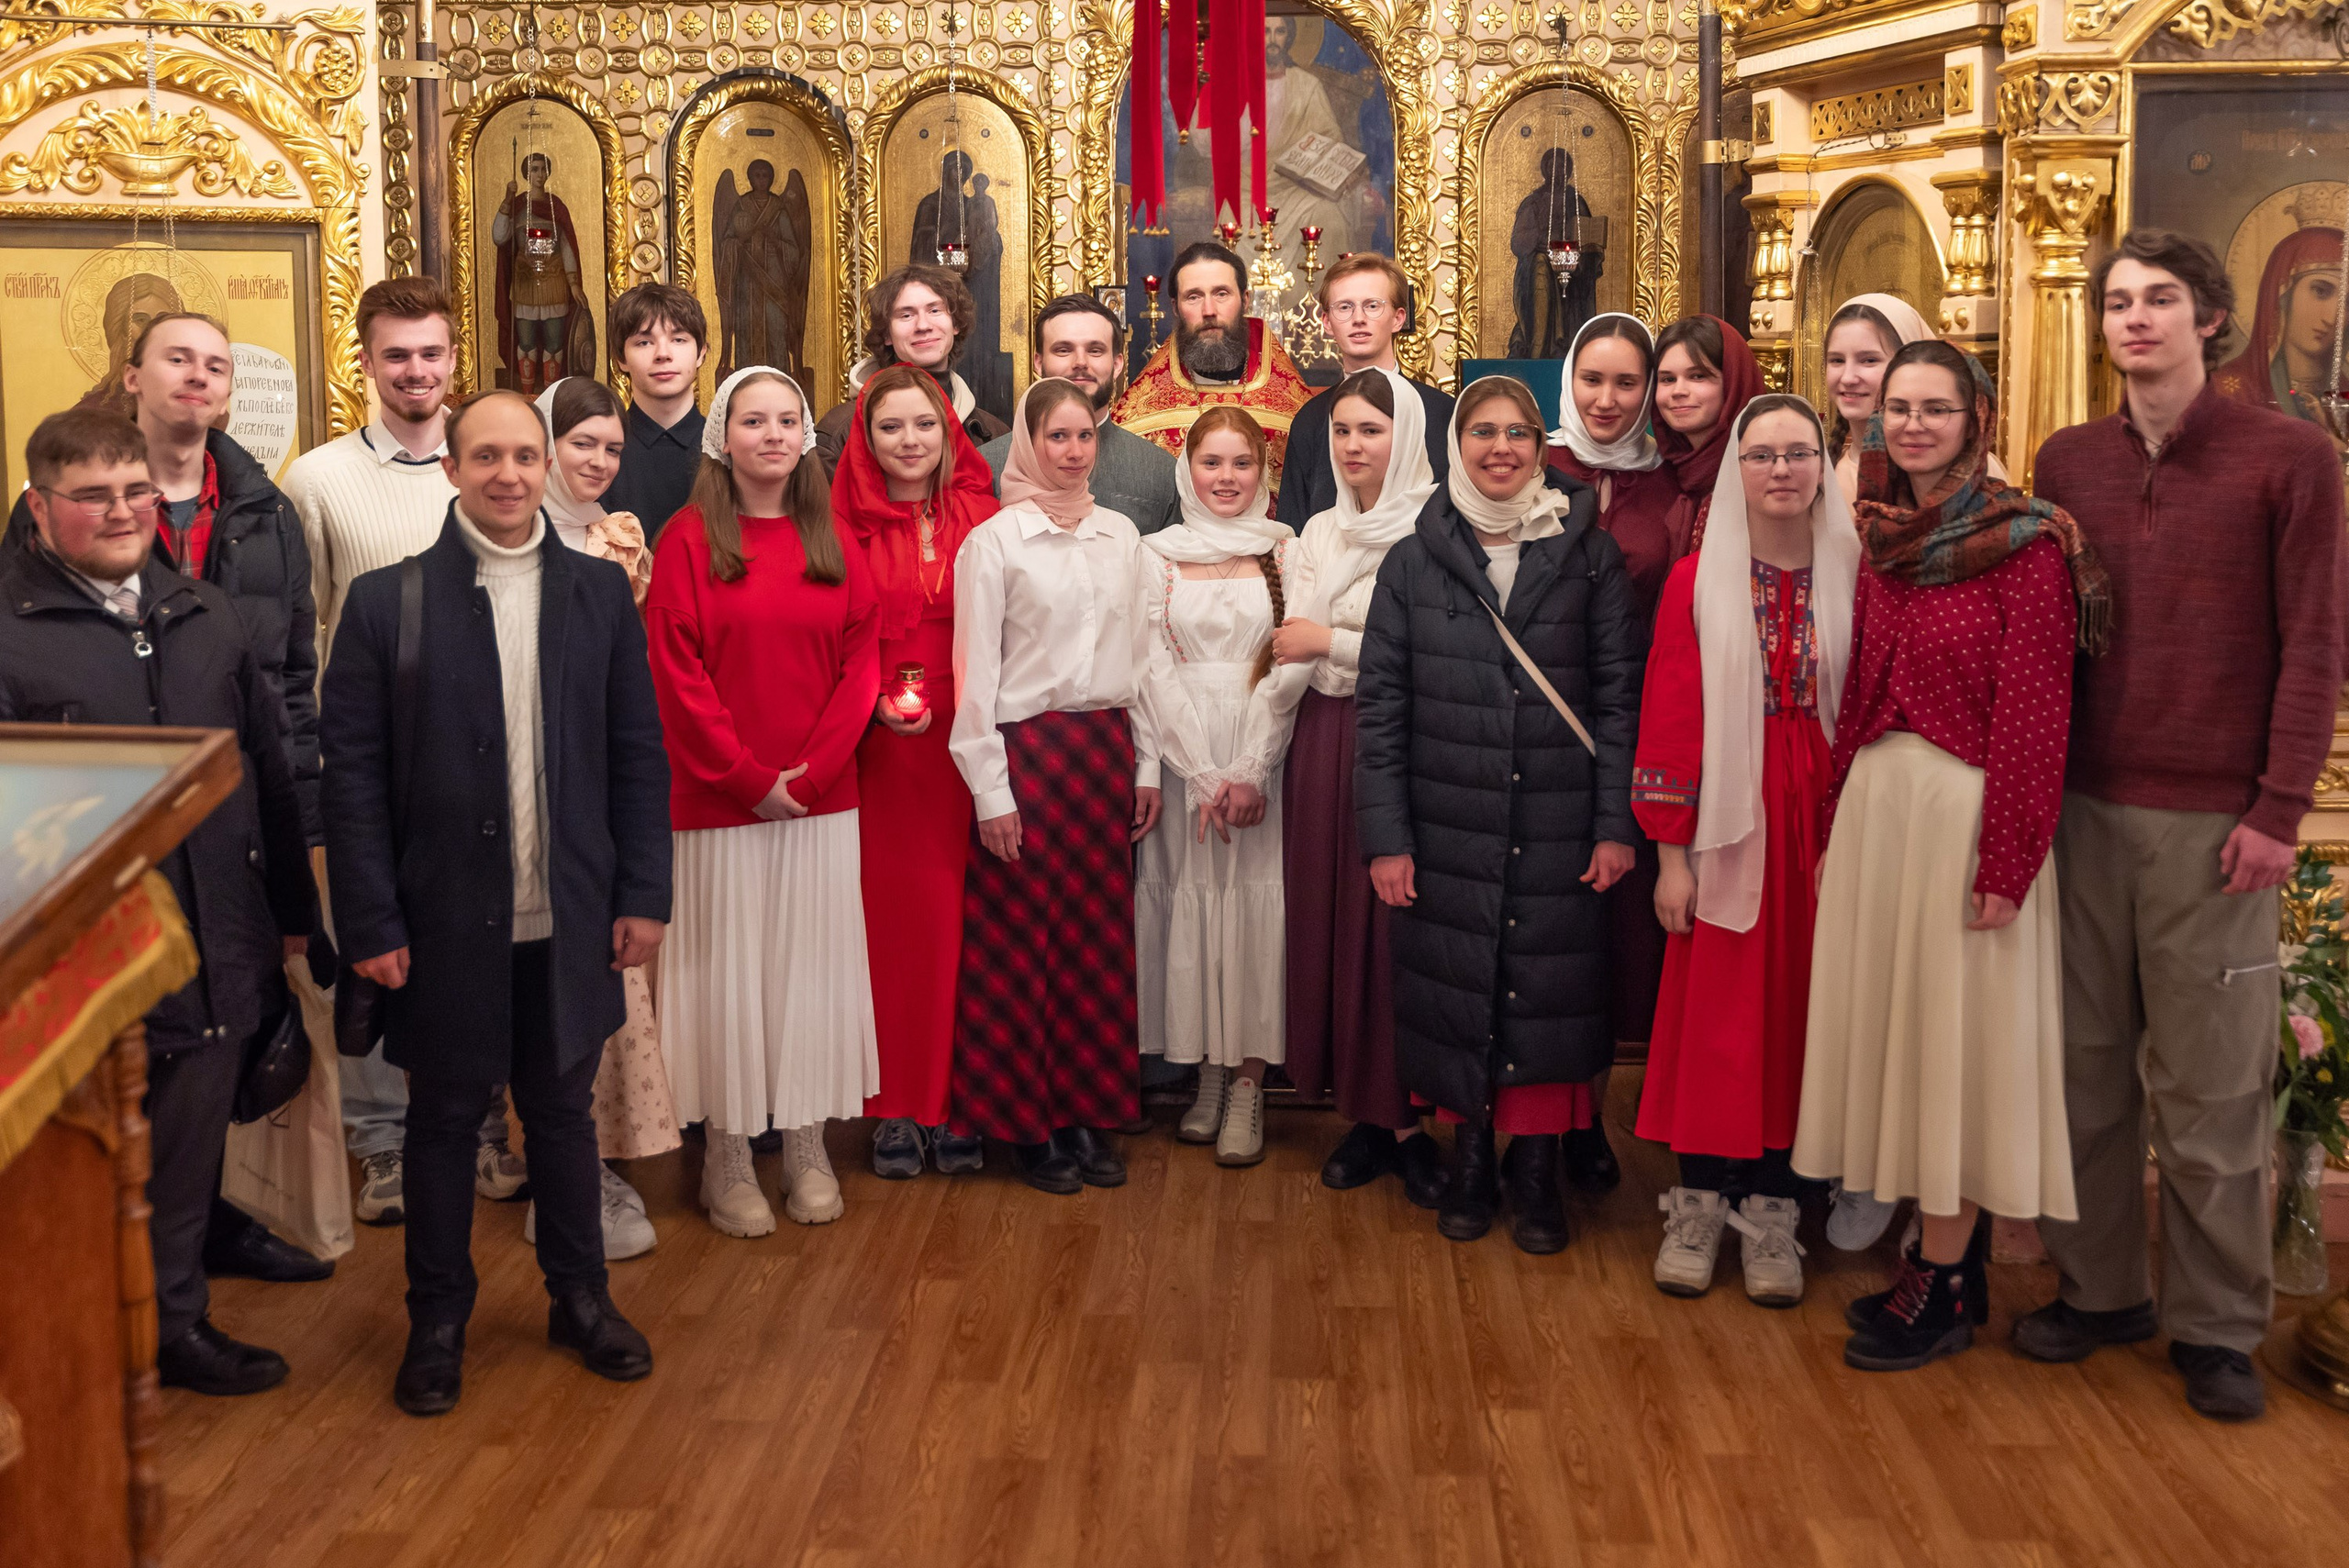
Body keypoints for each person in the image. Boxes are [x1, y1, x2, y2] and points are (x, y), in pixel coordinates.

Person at [2025, 229, 2347, 1423]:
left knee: (2212, 1093)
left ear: (2210, 319)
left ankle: (2217, 1325)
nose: (2137, 320)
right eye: (2118, 302)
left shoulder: (2291, 457)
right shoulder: (2067, 461)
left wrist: (2278, 809)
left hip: (2218, 820)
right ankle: (2102, 1287)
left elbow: (2318, 643)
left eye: (2160, 300)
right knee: (2084, 1074)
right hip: (2080, 807)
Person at [320, 389, 671, 1417]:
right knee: (440, 1121)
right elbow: (352, 777)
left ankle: (579, 1296)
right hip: (439, 919)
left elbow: (635, 755)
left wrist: (642, 890)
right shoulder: (388, 604)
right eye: (488, 455)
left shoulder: (598, 596)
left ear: (547, 463)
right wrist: (373, 919)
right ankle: (437, 1317)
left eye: (526, 454)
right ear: (454, 468)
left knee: (560, 1113)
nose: (509, 474)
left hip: (565, 910)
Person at [1795, 340, 2104, 1373]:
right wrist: (1838, 818)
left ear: (1975, 418)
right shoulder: (1887, 536)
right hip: (1884, 809)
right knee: (1904, 1037)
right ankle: (1943, 1268)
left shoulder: (2024, 541)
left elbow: (2034, 711)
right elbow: (1859, 695)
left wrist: (2006, 860)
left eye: (1934, 407)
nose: (1912, 425)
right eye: (1897, 408)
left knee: (1953, 1051)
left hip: (1968, 815)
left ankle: (1942, 1277)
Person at [0, 408, 315, 1396]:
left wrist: (294, 916)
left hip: (212, 933)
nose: (123, 510)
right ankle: (71, 1336)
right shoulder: (10, 630)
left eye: (136, 490)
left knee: (185, 1154)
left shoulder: (202, 611)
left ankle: (173, 1322)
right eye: (92, 496)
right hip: (74, 961)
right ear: (41, 508)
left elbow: (265, 764)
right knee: (77, 1167)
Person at [1355, 376, 1642, 1255]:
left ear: (1540, 445)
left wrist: (1612, 824)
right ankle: (1474, 1157)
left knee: (1549, 994)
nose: (1502, 448)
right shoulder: (1414, 559)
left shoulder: (1588, 555)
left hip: (1559, 818)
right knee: (1459, 988)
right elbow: (1382, 707)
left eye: (1520, 432)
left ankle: (1536, 1167)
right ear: (1458, 444)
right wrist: (1389, 839)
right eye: (1483, 432)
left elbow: (1616, 702)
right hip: (1449, 817)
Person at [283, 277, 517, 1227]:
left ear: (454, 356)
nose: (417, 371)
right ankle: (382, 1138)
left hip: (496, 755)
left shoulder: (491, 461)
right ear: (367, 361)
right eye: (397, 354)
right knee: (380, 944)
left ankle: (487, 1118)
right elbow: (307, 632)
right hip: (378, 761)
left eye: (432, 352)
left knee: (492, 944)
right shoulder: (317, 480)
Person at [1634, 394, 1857, 1307]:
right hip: (1729, 807)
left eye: (1797, 452)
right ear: (1736, 467)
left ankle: (1775, 1210)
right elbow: (1671, 716)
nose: (1779, 469)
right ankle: (1696, 1201)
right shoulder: (1696, 579)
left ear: (1819, 465)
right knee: (1719, 1009)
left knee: (1804, 1010)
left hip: (1830, 811)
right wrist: (1671, 856)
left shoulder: (1858, 574)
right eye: (1760, 454)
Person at [648, 367, 881, 1238]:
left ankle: (810, 1140)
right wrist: (749, 779)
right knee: (728, 975)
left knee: (807, 970)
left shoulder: (835, 537)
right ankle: (729, 1151)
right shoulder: (686, 539)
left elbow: (863, 665)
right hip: (718, 803)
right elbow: (676, 674)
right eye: (755, 421)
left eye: (788, 420)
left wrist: (811, 776)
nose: (775, 434)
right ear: (724, 437)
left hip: (822, 800)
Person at [949, 377, 1170, 1194]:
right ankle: (1029, 1124)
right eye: (1057, 438)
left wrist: (1146, 764)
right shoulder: (996, 542)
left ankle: (1084, 1113)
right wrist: (990, 791)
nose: (1073, 452)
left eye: (1084, 438)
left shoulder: (1123, 537)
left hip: (1102, 751)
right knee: (1020, 944)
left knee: (1094, 945)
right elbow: (974, 677)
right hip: (1027, 754)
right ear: (1030, 445)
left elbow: (1144, 659)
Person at [1247, 366, 1442, 1196]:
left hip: (1404, 740)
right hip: (1323, 737)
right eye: (1341, 432)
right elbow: (1288, 639)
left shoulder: (1436, 526)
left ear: (1407, 438)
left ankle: (1418, 1119)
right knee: (1334, 921)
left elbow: (1426, 649)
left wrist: (1330, 641)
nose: (1354, 446)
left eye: (1371, 430)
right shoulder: (1318, 530)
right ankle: (1365, 1116)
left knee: (1390, 929)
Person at [832, 362, 999, 1180]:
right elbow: (829, 637)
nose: (909, 441)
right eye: (891, 427)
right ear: (866, 439)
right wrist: (872, 707)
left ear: (949, 433)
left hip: (974, 738)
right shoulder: (838, 524)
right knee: (895, 928)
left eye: (924, 426)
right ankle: (895, 1105)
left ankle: (962, 1099)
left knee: (973, 925)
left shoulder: (984, 513)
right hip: (881, 745)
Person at [529, 376, 673, 1261]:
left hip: (593, 776)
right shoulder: (503, 529)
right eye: (580, 442)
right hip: (511, 776)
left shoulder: (621, 538)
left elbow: (633, 667)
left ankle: (587, 1162)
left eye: (611, 448)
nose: (597, 461)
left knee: (593, 978)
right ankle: (526, 1156)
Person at [1136, 406, 1293, 1165]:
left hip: (1262, 749)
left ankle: (1249, 1085)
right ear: (1186, 470)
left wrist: (1250, 770)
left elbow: (1291, 663)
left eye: (1242, 464)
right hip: (1182, 752)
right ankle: (1204, 1070)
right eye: (1212, 463)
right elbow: (1148, 665)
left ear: (1263, 472)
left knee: (1254, 908)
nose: (1226, 478)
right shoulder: (1154, 553)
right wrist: (1199, 769)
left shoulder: (1286, 549)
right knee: (1190, 900)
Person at [1544, 311, 1677, 1189]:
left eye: (1626, 383)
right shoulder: (1531, 462)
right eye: (1592, 379)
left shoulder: (1675, 485)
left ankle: (1589, 1111)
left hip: (1635, 723)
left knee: (1610, 935)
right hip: (1543, 727)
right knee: (1547, 929)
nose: (1605, 399)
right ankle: (1542, 1118)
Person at [1110, 242, 1314, 499]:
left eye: (1221, 294)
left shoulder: (1293, 410)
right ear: (1175, 307)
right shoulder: (1137, 417)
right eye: (1193, 297)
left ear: (1245, 300)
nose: (1209, 311)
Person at [1275, 254, 1453, 531]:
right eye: (1344, 307)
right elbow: (1294, 527)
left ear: (1398, 318)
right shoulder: (1311, 420)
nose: (1358, 319)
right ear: (1327, 322)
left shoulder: (1444, 413)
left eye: (1372, 306)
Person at [979, 294, 1180, 535]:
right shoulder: (984, 468)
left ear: (1117, 364)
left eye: (1095, 350)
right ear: (1038, 362)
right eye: (1063, 350)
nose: (1080, 362)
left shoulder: (1161, 472)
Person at [814, 265, 1009, 476]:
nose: (923, 325)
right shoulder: (840, 431)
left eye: (935, 310)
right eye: (906, 315)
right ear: (887, 334)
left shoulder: (993, 432)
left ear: (955, 324)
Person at [602, 283, 713, 545]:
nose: (663, 354)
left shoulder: (728, 448)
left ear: (701, 353)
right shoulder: (599, 452)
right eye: (644, 342)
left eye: (678, 339)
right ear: (621, 359)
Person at [1651, 314, 1766, 550]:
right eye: (1667, 379)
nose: (1678, 391)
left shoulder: (1766, 471)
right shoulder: (1661, 473)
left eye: (1697, 376)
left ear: (1734, 382)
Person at [490, 150, 595, 395]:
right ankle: (528, 395)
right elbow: (499, 236)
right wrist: (507, 198)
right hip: (525, 285)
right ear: (526, 173)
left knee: (554, 342)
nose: (539, 174)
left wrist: (573, 283)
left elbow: (567, 246)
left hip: (554, 284)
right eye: (534, 169)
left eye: (543, 169)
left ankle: (549, 395)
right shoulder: (516, 205)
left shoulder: (556, 206)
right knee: (525, 343)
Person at [1820, 293, 1932, 504]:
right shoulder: (1820, 477)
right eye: (1837, 360)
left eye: (1869, 360)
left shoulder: (1954, 473)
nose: (1848, 377)